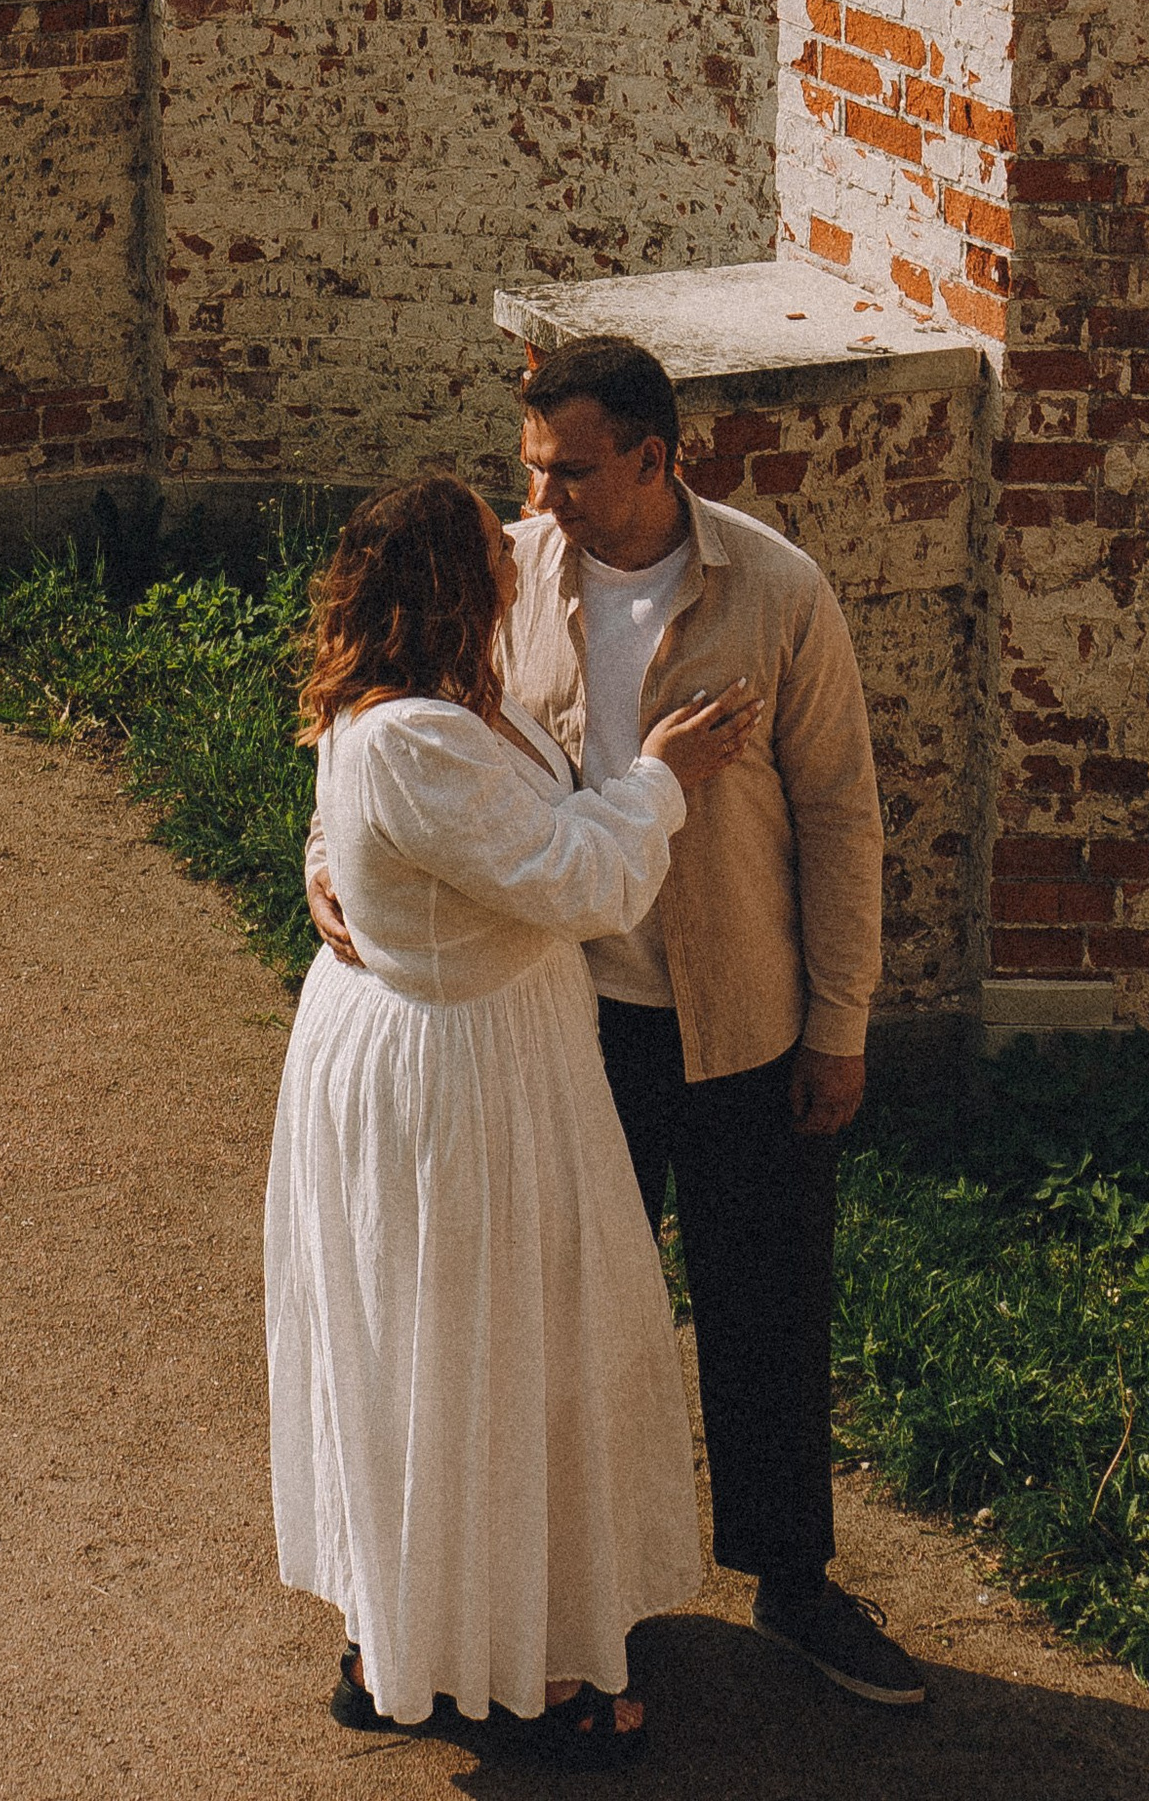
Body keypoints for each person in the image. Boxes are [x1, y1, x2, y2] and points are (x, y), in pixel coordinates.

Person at [309, 338, 926, 1709]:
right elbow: (397, 723)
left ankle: (794, 1584)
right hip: (561, 1032)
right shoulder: (509, 581)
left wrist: (842, 1021)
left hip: (741, 1019)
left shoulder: (777, 589)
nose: (544, 500)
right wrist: (326, 858)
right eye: (532, 468)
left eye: (572, 471)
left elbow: (841, 814)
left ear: (660, 457)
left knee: (766, 1316)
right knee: (556, 1331)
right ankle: (574, 1600)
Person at [266, 470, 762, 1755]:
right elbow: (580, 879)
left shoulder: (438, 707)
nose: (518, 552)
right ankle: (505, 1677)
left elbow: (419, 837)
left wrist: (331, 867)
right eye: (495, 542)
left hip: (480, 1049)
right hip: (452, 1081)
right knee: (471, 1352)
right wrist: (662, 775)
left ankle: (421, 1633)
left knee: (456, 1348)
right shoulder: (413, 736)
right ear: (451, 584)